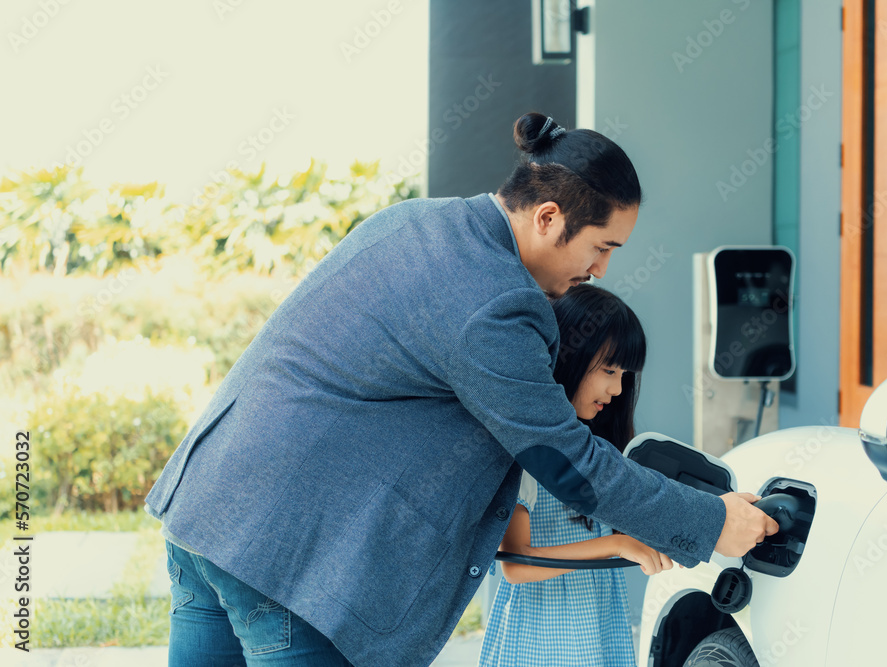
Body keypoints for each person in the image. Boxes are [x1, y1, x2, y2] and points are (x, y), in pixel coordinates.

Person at [145, 112, 777, 667]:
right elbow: (565, 462)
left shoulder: (415, 222)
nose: (601, 271)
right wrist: (710, 521)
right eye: (601, 246)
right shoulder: (497, 300)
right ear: (549, 217)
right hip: (291, 560)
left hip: (209, 509)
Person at [479, 283, 661, 667]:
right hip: (541, 639)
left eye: (624, 374)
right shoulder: (533, 454)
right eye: (609, 369)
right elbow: (515, 564)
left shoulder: (597, 451)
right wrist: (614, 546)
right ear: (569, 357)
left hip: (597, 630)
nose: (617, 388)